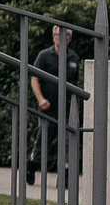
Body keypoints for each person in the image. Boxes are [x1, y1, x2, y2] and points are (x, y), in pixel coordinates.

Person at [28, 23, 83, 185]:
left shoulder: (74, 58)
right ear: (54, 37)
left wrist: (76, 107)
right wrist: (40, 99)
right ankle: (31, 165)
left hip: (66, 108)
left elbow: (75, 83)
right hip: (48, 107)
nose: (62, 38)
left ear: (70, 38)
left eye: (65, 35)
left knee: (67, 142)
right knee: (43, 140)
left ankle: (65, 175)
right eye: (59, 34)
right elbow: (34, 79)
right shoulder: (44, 55)